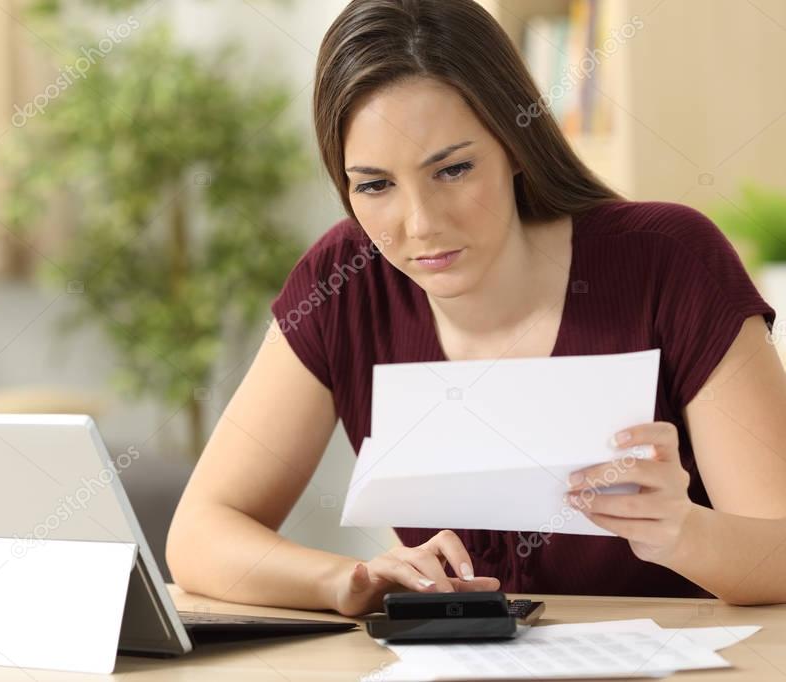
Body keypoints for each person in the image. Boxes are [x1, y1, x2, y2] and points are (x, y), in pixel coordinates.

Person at [166, 0, 786, 615]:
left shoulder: (668, 262)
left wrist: (687, 533)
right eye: (375, 185)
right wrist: (348, 579)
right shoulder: (343, 282)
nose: (421, 224)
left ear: (516, 145)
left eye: (454, 169)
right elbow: (199, 534)